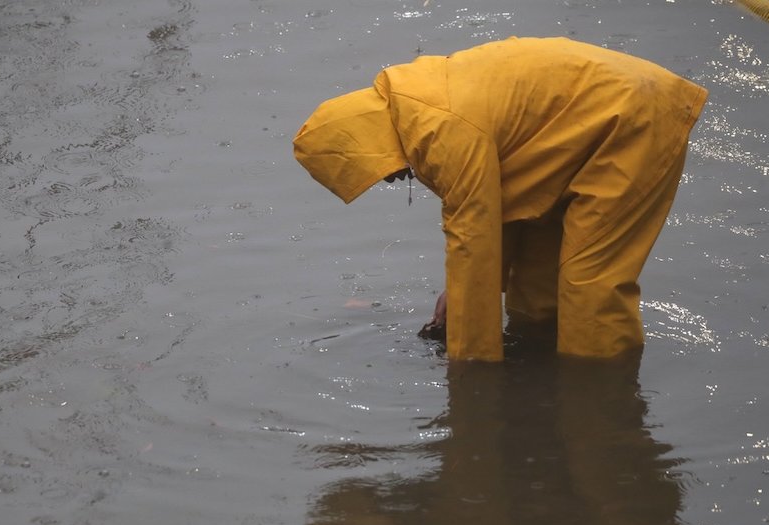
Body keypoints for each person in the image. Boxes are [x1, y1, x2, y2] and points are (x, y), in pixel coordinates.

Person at [293, 37, 707, 361]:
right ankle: (542, 362)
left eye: (377, 171)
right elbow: (497, 212)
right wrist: (458, 296)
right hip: (573, 128)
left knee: (591, 287)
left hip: (631, 115)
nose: (390, 178)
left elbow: (472, 241)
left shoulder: (439, 129)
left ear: (364, 143)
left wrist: (469, 370)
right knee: (534, 284)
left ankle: (601, 396)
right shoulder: (411, 104)